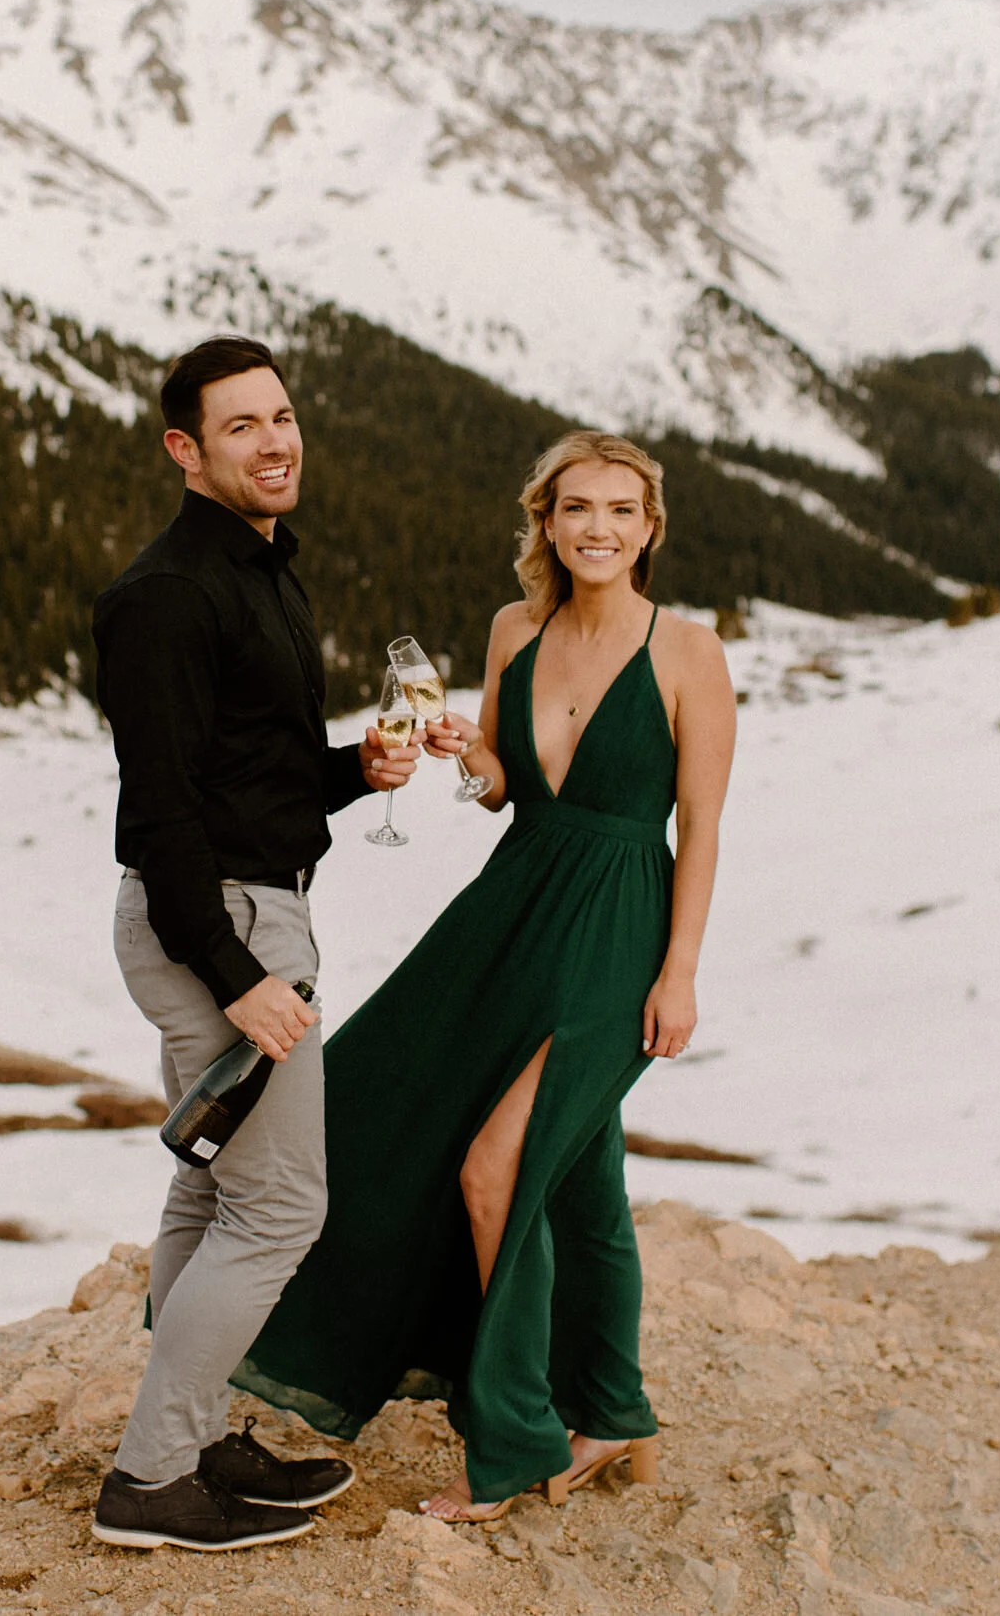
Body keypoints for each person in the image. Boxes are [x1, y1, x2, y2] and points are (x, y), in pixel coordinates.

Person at [237, 430, 737, 1520]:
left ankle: (511, 1445)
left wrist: (680, 973)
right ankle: (614, 1415)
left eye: (619, 509)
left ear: (649, 528)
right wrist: (473, 759)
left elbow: (697, 823)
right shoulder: (518, 627)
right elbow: (512, 791)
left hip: (618, 923)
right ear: (545, 523)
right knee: (552, 1170)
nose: (596, 528)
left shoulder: (687, 652)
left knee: (492, 1168)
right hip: (512, 904)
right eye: (575, 509)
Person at [86, 334, 461, 1552]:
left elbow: (249, 775)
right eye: (241, 425)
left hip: (257, 904)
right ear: (184, 449)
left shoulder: (261, 569)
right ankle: (150, 1480)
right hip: (222, 927)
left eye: (283, 416)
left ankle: (186, 1439)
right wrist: (240, 978)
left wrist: (357, 768)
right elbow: (161, 814)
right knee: (281, 1206)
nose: (275, 440)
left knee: (213, 1187)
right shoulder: (161, 598)